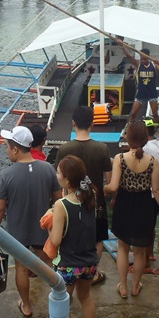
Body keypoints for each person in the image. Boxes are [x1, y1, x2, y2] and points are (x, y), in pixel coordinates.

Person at [0, 126, 62, 318]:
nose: (7, 150)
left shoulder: (6, 175)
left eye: (7, 146)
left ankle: (27, 305)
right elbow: (58, 200)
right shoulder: (48, 169)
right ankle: (57, 296)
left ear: (15, 149)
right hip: (43, 229)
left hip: (18, 231)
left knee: (22, 268)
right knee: (49, 264)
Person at [104, 121, 159, 298]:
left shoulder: (120, 159)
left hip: (124, 204)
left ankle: (123, 287)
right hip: (144, 206)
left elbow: (114, 186)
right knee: (140, 251)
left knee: (123, 248)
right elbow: (156, 190)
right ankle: (135, 286)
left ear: (129, 137)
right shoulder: (152, 161)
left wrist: (105, 189)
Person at [46, 155, 101, 318]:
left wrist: (49, 226)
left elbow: (56, 241)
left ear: (67, 180)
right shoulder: (91, 194)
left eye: (59, 171)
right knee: (85, 298)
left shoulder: (61, 205)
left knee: (65, 305)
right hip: (89, 262)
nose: (56, 174)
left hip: (68, 264)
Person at [54, 105, 112, 286]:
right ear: (92, 124)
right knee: (98, 239)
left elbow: (59, 180)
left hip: (71, 205)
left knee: (71, 239)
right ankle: (92, 272)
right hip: (96, 204)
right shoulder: (102, 148)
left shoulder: (64, 149)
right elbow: (108, 183)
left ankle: (74, 271)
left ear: (73, 124)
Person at [119, 41, 159, 124]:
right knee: (133, 113)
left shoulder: (154, 65)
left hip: (152, 94)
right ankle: (130, 127)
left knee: (155, 114)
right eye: (142, 58)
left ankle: (155, 129)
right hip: (141, 94)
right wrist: (122, 46)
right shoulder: (138, 64)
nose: (143, 60)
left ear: (149, 57)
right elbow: (129, 57)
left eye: (145, 59)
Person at [142, 118, 159, 263]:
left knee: (145, 227)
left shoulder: (145, 148)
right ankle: (150, 254)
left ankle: (145, 261)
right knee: (151, 225)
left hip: (148, 192)